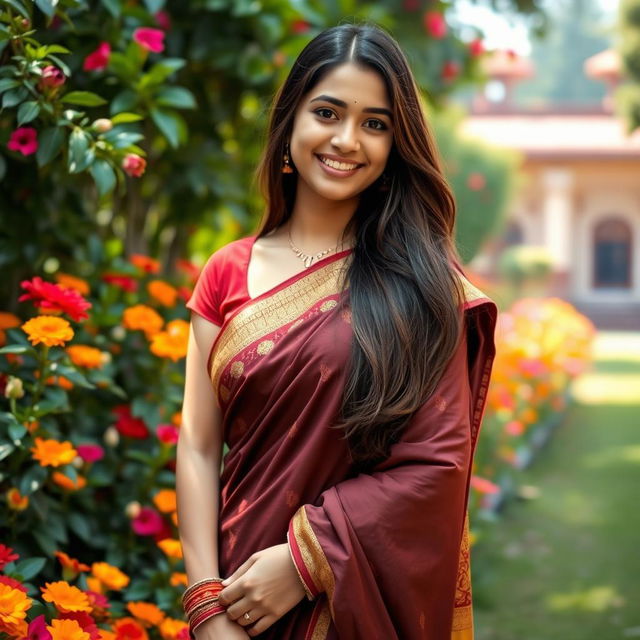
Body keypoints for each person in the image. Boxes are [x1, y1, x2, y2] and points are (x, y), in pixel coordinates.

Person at [177, 22, 497, 640]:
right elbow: (197, 444)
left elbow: (437, 465)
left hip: (350, 606)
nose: (348, 140)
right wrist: (205, 605)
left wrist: (303, 563)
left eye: (376, 123)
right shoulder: (228, 271)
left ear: (394, 143)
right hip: (232, 599)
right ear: (290, 122)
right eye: (328, 112)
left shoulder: (425, 286)